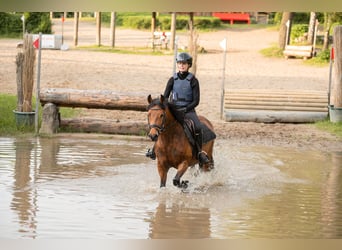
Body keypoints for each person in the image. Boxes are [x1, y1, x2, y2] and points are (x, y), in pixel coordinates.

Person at [146, 52, 210, 165]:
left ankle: (200, 153)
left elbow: (196, 101)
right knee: (161, 124)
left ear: (188, 65)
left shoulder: (194, 81)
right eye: (180, 63)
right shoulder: (172, 79)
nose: (181, 65)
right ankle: (154, 150)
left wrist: (186, 109)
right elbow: (165, 97)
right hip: (173, 109)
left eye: (184, 63)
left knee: (198, 127)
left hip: (188, 110)